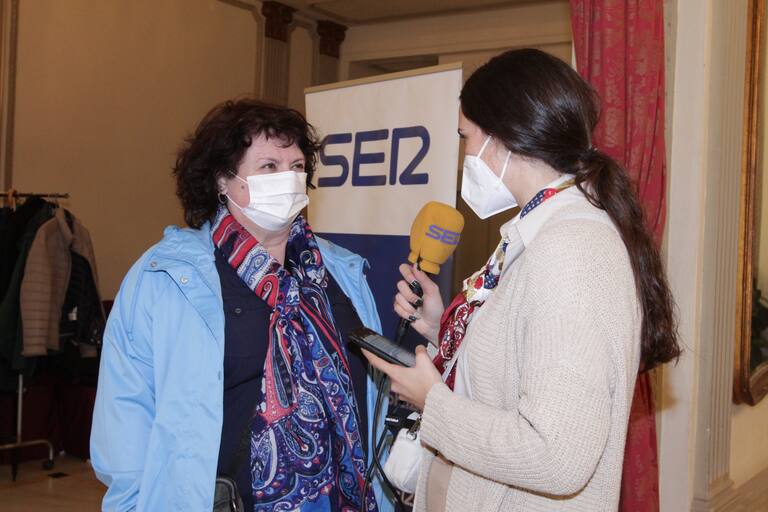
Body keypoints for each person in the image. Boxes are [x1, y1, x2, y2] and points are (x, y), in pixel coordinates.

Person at [364, 48, 681, 511]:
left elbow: (556, 455)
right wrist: (440, 329)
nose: (465, 154)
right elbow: (523, 363)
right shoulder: (541, 228)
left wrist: (433, 403)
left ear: (503, 138)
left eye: (465, 137)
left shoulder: (571, 248)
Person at [91, 99, 381, 511]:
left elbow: (372, 392)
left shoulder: (341, 271)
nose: (289, 179)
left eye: (297, 166)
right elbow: (125, 416)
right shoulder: (165, 277)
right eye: (269, 166)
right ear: (222, 181)